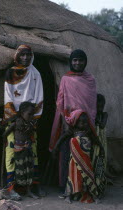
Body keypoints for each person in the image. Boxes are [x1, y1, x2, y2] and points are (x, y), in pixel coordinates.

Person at [49, 49, 97, 196]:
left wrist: (89, 122)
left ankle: (82, 187)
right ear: (71, 62)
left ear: (85, 62)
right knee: (66, 156)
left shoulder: (90, 80)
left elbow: (92, 104)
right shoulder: (65, 79)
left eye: (80, 60)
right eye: (75, 60)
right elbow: (61, 102)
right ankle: (64, 186)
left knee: (84, 156)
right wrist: (65, 121)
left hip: (84, 125)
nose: (77, 63)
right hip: (69, 123)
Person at [4, 45, 43, 200]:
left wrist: (32, 118)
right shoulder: (11, 73)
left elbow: (39, 97)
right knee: (11, 152)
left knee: (32, 152)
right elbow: (8, 96)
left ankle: (33, 185)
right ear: (17, 56)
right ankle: (11, 188)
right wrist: (16, 118)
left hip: (30, 120)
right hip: (14, 120)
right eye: (23, 55)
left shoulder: (35, 74)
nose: (26, 58)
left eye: (28, 55)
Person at [53, 110, 106, 204]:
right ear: (76, 122)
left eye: (86, 122)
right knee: (72, 177)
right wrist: (55, 149)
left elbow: (96, 140)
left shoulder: (88, 131)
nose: (85, 124)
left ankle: (94, 196)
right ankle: (68, 196)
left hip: (86, 160)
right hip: (74, 161)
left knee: (89, 176)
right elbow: (62, 139)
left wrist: (101, 148)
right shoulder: (72, 131)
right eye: (82, 122)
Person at [3, 102, 39, 199]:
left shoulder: (31, 124)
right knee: (19, 171)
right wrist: (9, 143)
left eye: (33, 114)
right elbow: (6, 133)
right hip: (18, 151)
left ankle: (29, 191)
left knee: (28, 171)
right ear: (22, 113)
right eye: (29, 114)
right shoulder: (16, 123)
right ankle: (12, 190)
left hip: (27, 151)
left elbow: (31, 136)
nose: (31, 116)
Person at [95, 94, 108, 171]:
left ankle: (102, 175)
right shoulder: (94, 115)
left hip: (102, 140)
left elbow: (102, 125)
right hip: (95, 140)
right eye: (98, 107)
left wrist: (97, 119)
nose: (100, 109)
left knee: (102, 156)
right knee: (95, 156)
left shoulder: (104, 114)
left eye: (102, 107)